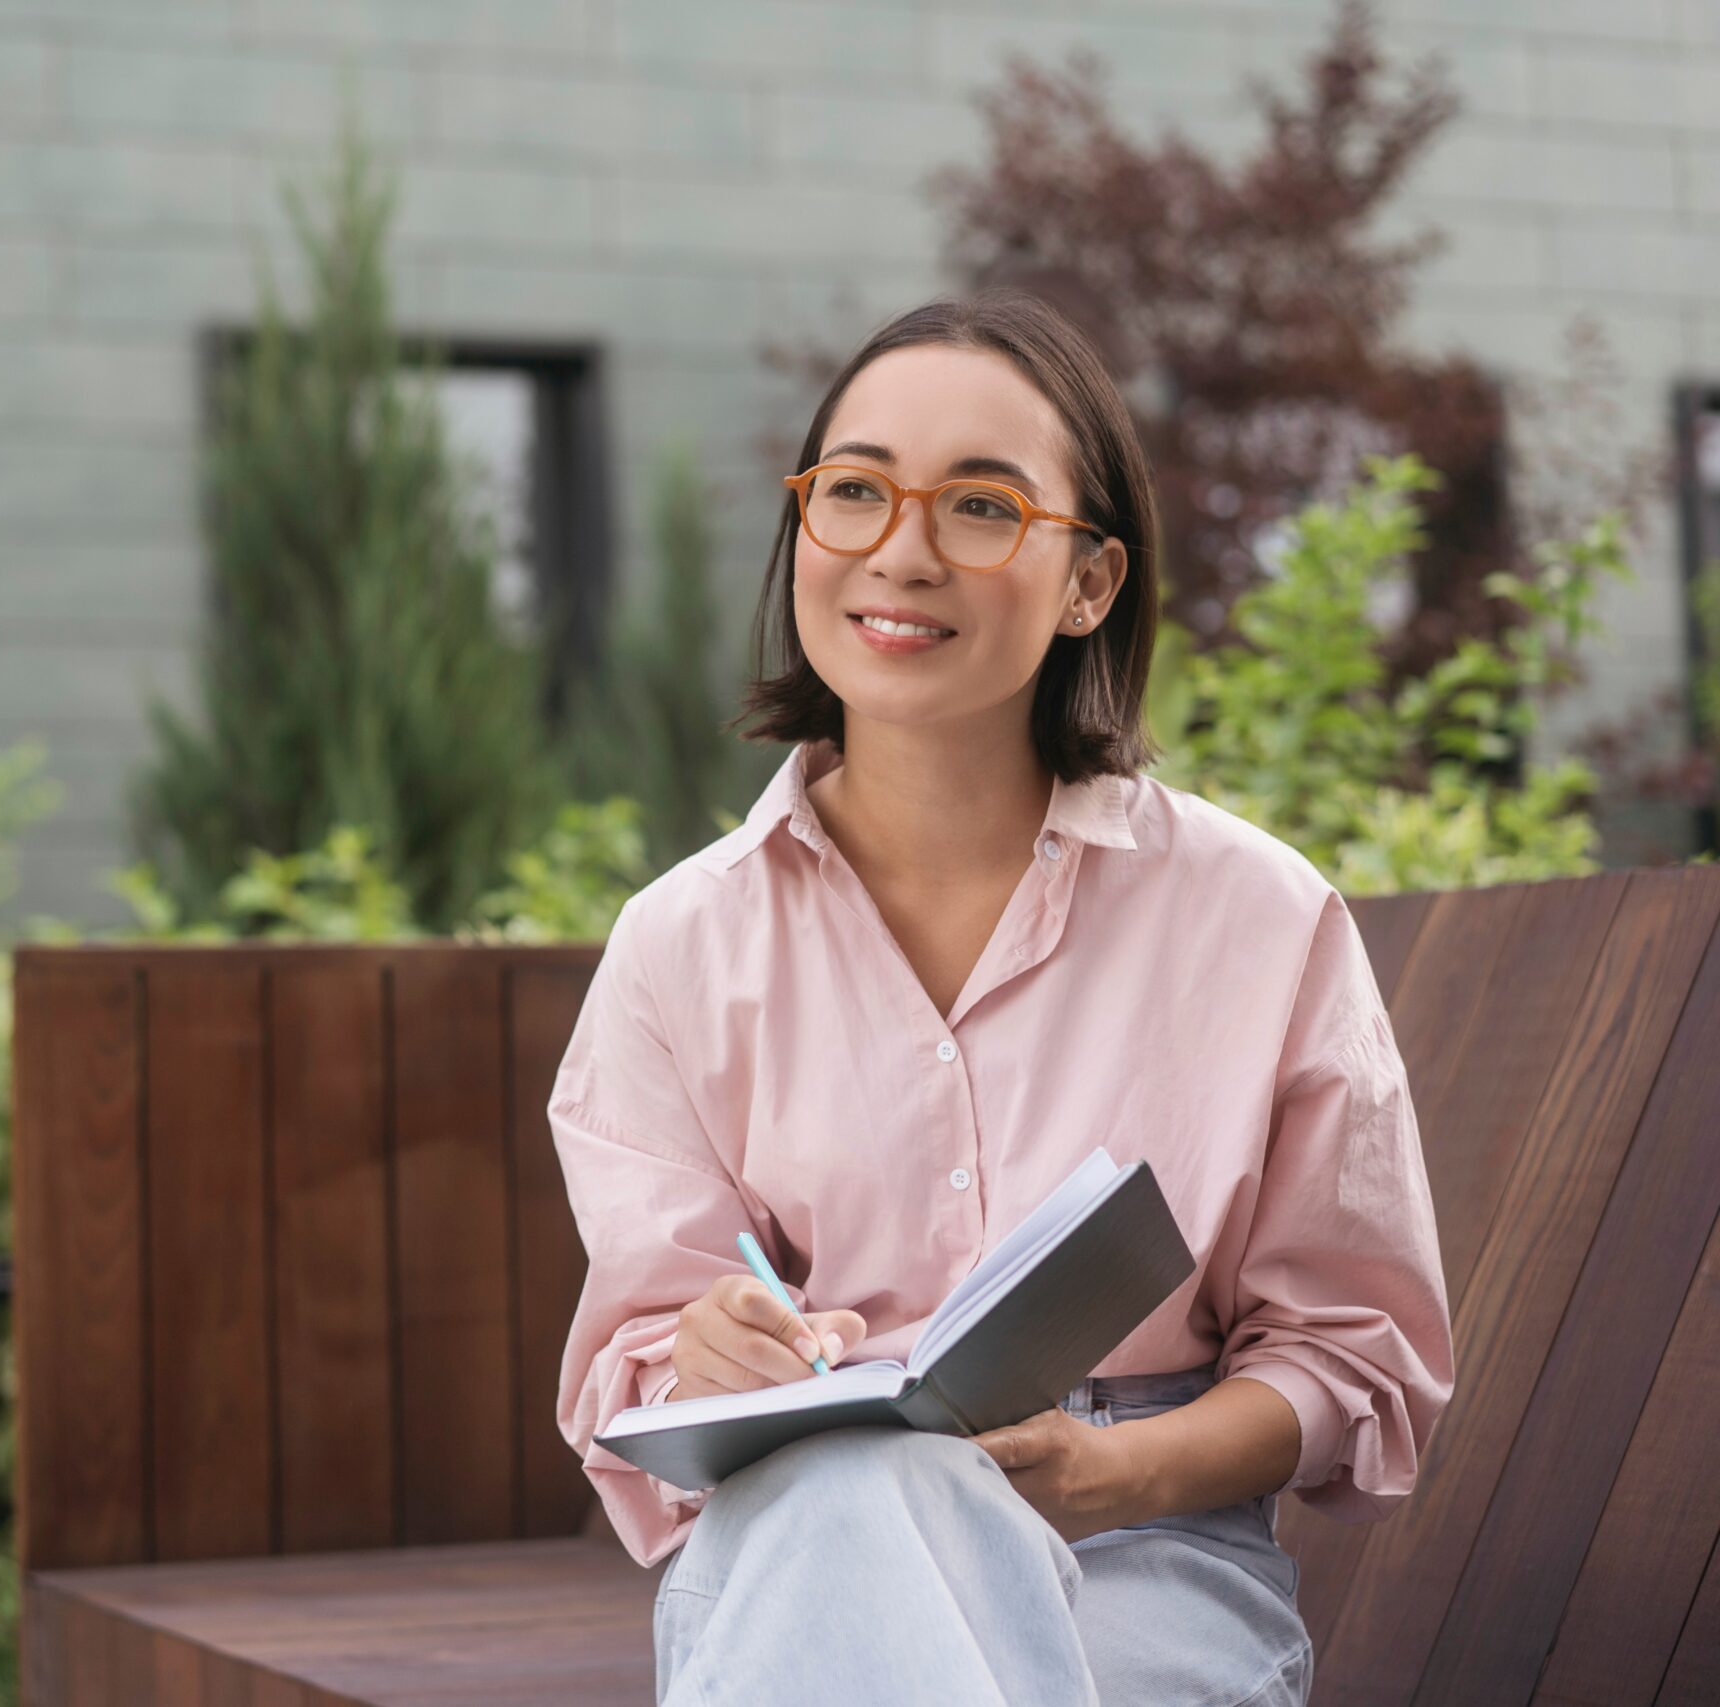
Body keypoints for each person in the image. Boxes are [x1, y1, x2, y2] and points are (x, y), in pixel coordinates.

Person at [548, 288, 1455, 1706]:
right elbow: (643, 1365)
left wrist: (1121, 1470)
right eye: (853, 492)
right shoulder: (681, 945)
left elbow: (1355, 1355)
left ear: (1090, 582)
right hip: (801, 1528)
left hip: (1142, 1550)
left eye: (979, 508)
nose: (899, 553)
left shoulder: (1258, 921)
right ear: (804, 532)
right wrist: (707, 1355)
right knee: (846, 1505)